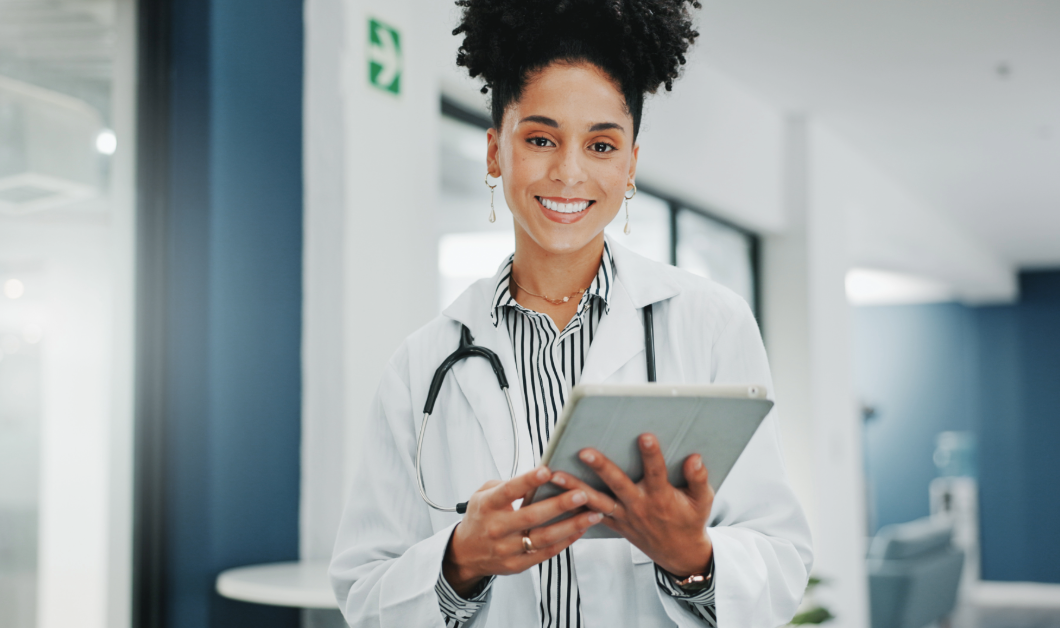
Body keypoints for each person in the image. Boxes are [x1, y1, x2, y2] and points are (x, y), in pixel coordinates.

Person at [330, 1, 813, 626]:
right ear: (495, 153)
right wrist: (460, 561)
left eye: (601, 145)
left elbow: (781, 558)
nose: (569, 172)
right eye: (540, 139)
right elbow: (364, 591)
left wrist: (692, 557)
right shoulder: (422, 363)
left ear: (630, 165)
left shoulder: (713, 324)